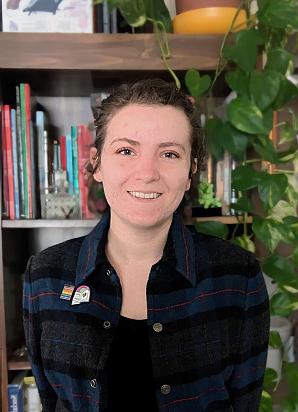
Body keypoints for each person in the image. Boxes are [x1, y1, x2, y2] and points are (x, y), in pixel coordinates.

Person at [23, 78, 270, 412]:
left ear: (190, 171)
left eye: (169, 153)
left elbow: (244, 404)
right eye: (126, 150)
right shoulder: (45, 275)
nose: (147, 172)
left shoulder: (237, 276)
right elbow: (54, 403)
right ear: (97, 163)